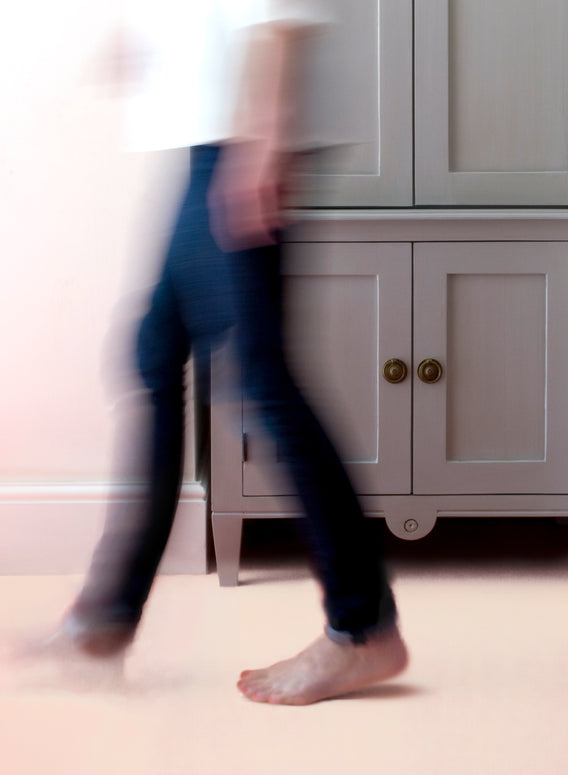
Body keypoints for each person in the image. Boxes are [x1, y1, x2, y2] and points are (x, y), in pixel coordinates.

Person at [56, 0, 408, 705]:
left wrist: (265, 140)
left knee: (260, 381)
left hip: (239, 132)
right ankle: (110, 609)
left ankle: (363, 625)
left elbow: (281, 10)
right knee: (158, 355)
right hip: (212, 134)